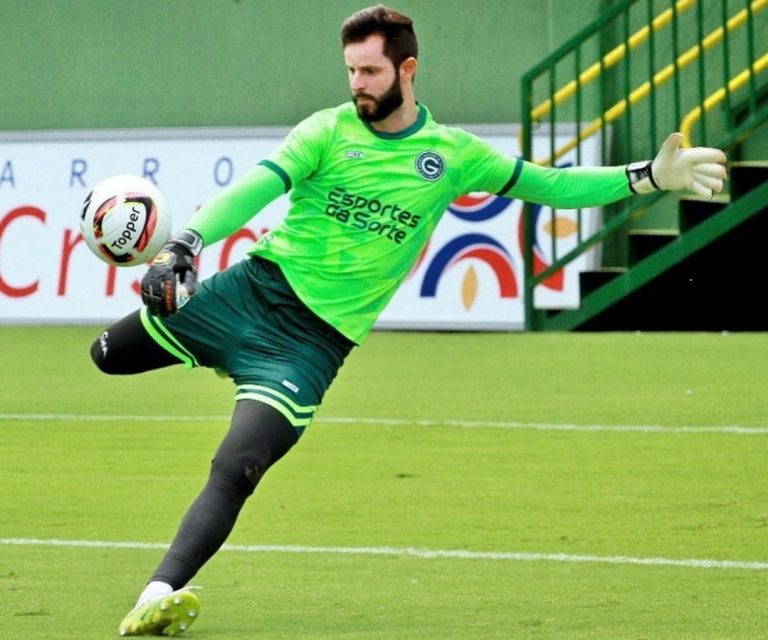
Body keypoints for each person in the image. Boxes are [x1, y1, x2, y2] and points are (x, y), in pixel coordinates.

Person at [93, 4, 727, 637]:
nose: (357, 84)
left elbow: (552, 184)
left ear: (407, 68)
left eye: (370, 71)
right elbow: (256, 188)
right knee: (106, 356)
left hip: (309, 347)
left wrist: (647, 177)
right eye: (351, 71)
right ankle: (196, 352)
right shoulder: (326, 130)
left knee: (239, 466)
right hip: (249, 293)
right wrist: (187, 243)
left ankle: (157, 595)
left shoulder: (451, 155)